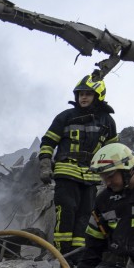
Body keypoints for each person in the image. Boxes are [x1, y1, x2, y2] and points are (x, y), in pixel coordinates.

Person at [39, 75, 117, 256]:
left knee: (85, 216)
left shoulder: (107, 121)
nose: (83, 97)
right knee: (66, 211)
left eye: (88, 94)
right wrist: (44, 163)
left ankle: (78, 255)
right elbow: (48, 141)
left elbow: (113, 149)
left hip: (91, 177)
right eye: (81, 94)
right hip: (66, 172)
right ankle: (62, 255)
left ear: (98, 96)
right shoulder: (65, 117)